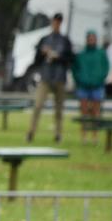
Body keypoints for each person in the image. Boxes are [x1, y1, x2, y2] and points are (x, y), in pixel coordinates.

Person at [27, 12, 73, 143]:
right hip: (45, 77)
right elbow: (36, 60)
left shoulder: (65, 41)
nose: (56, 24)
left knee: (59, 109)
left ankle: (58, 134)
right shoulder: (44, 39)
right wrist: (43, 53)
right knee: (38, 105)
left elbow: (70, 59)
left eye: (58, 22)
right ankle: (31, 132)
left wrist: (59, 57)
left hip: (59, 78)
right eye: (54, 21)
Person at [72, 30, 110, 142]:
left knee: (95, 112)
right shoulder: (81, 54)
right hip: (83, 86)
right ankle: (83, 135)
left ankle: (95, 135)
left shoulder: (101, 53)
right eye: (90, 38)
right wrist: (79, 80)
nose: (91, 40)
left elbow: (105, 68)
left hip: (97, 86)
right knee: (83, 112)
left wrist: (100, 79)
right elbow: (75, 69)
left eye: (93, 38)